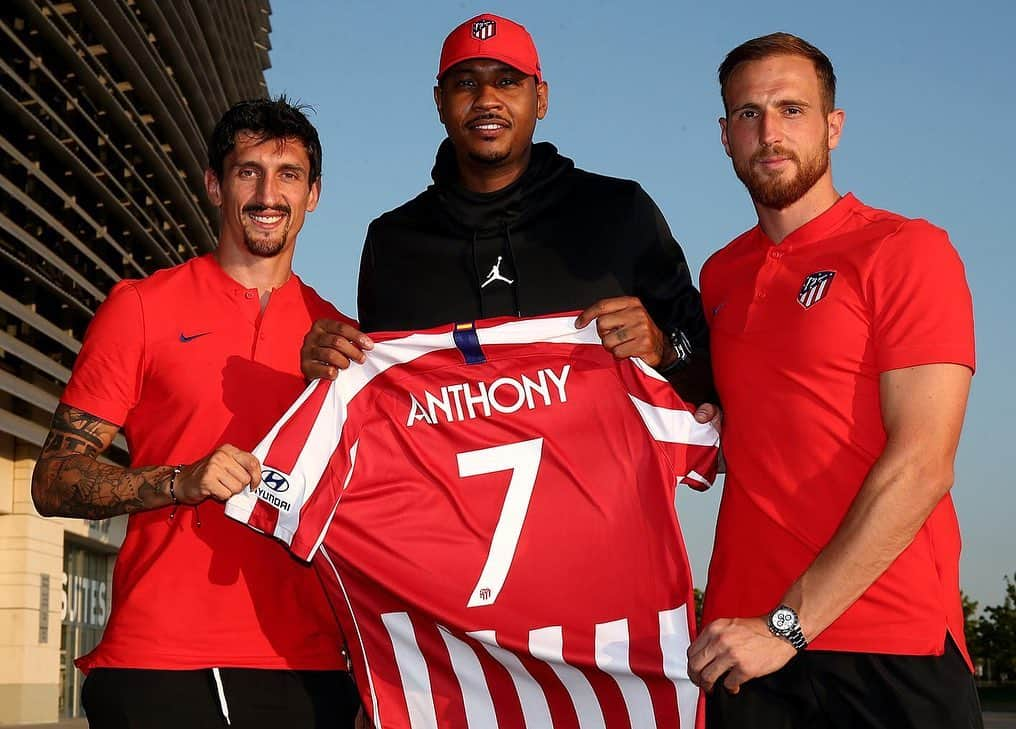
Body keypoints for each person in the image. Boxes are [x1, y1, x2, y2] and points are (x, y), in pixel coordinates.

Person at [31, 98, 361, 729]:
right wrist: (180, 480)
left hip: (309, 665)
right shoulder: (141, 307)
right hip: (159, 662)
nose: (269, 193)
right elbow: (52, 480)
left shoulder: (344, 340)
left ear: (313, 194)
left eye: (288, 174)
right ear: (215, 185)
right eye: (248, 171)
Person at [686, 33, 980, 729]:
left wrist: (787, 624)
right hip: (743, 641)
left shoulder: (906, 249)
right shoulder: (718, 275)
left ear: (833, 126)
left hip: (886, 639)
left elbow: (923, 464)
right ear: (725, 136)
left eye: (792, 109)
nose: (770, 131)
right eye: (749, 114)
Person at [300, 12, 713, 406]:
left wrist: (665, 350)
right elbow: (381, 397)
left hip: (604, 479)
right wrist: (330, 368)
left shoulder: (619, 210)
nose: (487, 100)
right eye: (465, 83)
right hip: (450, 481)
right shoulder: (392, 242)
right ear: (440, 102)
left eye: (507, 81)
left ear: (541, 98)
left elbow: (708, 362)